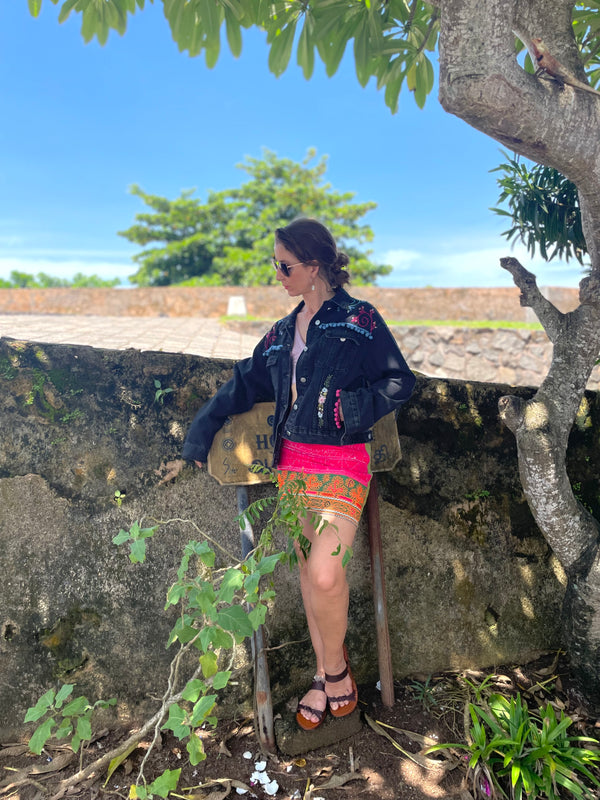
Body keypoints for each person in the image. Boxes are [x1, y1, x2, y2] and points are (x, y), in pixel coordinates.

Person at [182, 218, 415, 730]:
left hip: (343, 462)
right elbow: (244, 381)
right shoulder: (282, 332)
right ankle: (325, 673)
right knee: (310, 575)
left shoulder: (360, 319)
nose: (278, 274)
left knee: (327, 574)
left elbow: (400, 380)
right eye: (276, 265)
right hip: (292, 464)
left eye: (284, 266)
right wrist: (201, 432)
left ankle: (335, 670)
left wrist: (353, 409)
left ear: (314, 266)